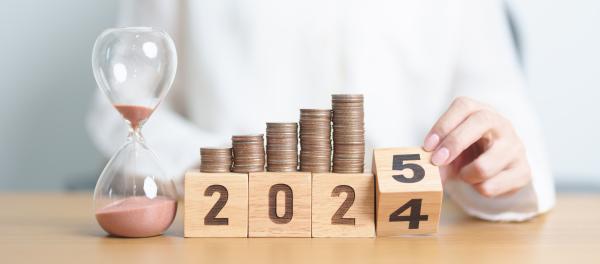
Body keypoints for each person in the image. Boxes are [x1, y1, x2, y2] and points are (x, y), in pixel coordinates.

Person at [88, 0, 555, 221]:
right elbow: (117, 110)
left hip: (406, 235)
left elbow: (501, 106)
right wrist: (214, 171)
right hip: (230, 231)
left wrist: (498, 154)